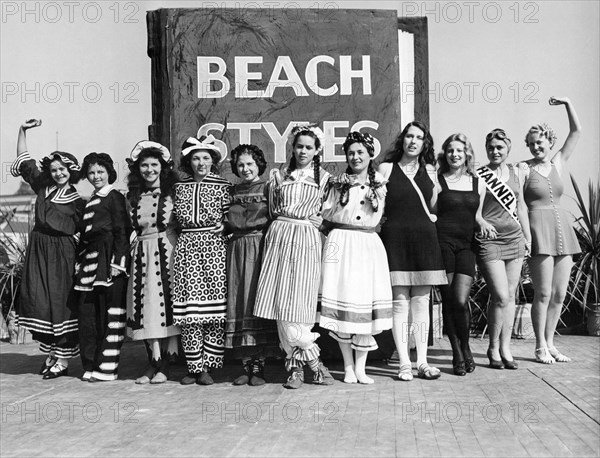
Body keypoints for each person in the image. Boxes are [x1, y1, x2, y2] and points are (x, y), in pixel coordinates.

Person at [254, 124, 334, 389]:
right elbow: (272, 208)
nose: (303, 151)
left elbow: (329, 214)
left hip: (306, 239)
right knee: (280, 301)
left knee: (300, 301)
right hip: (280, 236)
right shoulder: (278, 175)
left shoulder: (324, 179)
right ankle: (306, 366)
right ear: (292, 147)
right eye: (299, 146)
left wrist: (320, 221)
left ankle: (300, 366)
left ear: (317, 150)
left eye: (308, 147)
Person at [10, 119, 85, 379]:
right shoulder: (43, 188)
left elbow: (86, 234)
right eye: (54, 170)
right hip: (38, 252)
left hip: (62, 256)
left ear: (70, 171)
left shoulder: (78, 202)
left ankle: (62, 359)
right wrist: (22, 130)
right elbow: (24, 159)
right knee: (39, 302)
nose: (58, 173)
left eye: (62, 169)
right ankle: (52, 352)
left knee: (60, 304)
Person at [319, 131, 392, 384]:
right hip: (342, 244)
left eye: (360, 152)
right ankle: (348, 367)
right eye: (350, 152)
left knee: (364, 306)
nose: (355, 156)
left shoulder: (381, 183)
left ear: (370, 154)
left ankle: (361, 368)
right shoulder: (337, 183)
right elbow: (325, 214)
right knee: (345, 303)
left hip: (367, 245)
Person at [377, 121, 447, 381]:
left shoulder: (430, 170)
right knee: (399, 304)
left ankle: (422, 361)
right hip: (395, 240)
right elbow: (377, 207)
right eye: (409, 136)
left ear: (424, 143)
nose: (413, 141)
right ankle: (404, 362)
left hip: (424, 241)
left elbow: (433, 207)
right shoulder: (385, 168)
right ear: (402, 139)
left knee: (421, 303)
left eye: (419, 137)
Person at [522, 97, 582, 364]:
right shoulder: (523, 168)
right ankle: (539, 346)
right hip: (539, 233)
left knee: (559, 294)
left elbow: (576, 131)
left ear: (549, 142)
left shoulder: (558, 162)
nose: (536, 147)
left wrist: (567, 103)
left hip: (563, 232)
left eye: (540, 142)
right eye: (532, 143)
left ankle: (551, 343)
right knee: (543, 293)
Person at [171, 135, 231, 385]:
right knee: (190, 311)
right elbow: (172, 224)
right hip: (187, 249)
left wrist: (223, 228)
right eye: (196, 158)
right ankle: (193, 366)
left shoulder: (223, 186)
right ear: (189, 162)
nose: (201, 163)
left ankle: (209, 366)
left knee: (213, 311)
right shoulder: (179, 188)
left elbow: (232, 219)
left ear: (213, 161)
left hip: (215, 249)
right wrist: (179, 246)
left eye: (206, 158)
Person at [435, 133, 491, 375]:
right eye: (450, 151)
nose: (454, 154)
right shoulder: (438, 181)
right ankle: (457, 353)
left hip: (466, 246)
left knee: (460, 300)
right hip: (443, 244)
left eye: (459, 150)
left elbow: (476, 215)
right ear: (444, 155)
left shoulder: (478, 182)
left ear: (467, 154)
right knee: (449, 300)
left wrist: (484, 223)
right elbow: (433, 212)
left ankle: (466, 347)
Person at [125, 141, 181, 384]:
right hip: (141, 254)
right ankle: (152, 361)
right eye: (144, 165)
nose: (149, 169)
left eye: (154, 165)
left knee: (168, 304)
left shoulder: (174, 193)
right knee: (145, 305)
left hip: (168, 251)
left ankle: (166, 363)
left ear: (162, 167)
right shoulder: (132, 196)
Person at [224, 144, 280, 386]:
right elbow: (226, 221)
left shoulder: (269, 187)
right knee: (239, 302)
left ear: (259, 164)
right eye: (240, 165)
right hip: (236, 249)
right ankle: (245, 364)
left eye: (250, 164)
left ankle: (259, 366)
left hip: (260, 247)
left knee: (258, 301)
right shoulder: (232, 191)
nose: (245, 169)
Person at [475, 129, 530, 370]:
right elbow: (474, 210)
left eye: (500, 147)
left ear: (508, 149)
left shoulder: (517, 173)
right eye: (491, 147)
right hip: (491, 241)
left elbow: (522, 207)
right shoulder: (479, 174)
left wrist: (528, 237)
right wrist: (481, 222)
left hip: (514, 239)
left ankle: (505, 348)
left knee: (510, 297)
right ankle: (493, 347)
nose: (495, 151)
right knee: (500, 295)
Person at [75, 152, 132, 382]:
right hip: (91, 263)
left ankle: (107, 368)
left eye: (100, 172)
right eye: (91, 172)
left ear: (109, 173)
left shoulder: (115, 196)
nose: (96, 176)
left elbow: (122, 231)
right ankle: (90, 363)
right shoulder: (90, 199)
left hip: (109, 262)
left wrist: (119, 262)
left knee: (111, 315)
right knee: (88, 316)